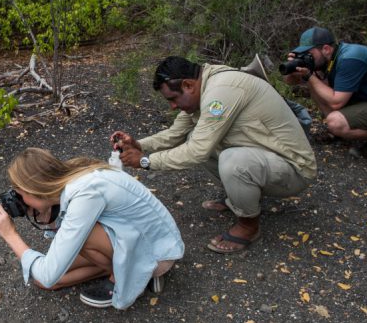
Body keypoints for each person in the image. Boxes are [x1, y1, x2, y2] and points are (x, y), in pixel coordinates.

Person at [111, 56, 317, 254]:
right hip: (266, 158)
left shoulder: (220, 93)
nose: (173, 106)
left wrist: (145, 162)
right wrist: (138, 144)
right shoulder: (204, 87)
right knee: (196, 136)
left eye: (173, 99)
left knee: (230, 161)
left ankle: (249, 226)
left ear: (188, 85)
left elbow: (196, 152)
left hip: (295, 168)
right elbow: (175, 134)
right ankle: (242, 197)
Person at [0, 147, 184, 309]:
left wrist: (10, 234)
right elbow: (47, 278)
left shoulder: (85, 194)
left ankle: (139, 274)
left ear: (36, 189)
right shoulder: (72, 177)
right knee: (46, 280)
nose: (20, 200)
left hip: (158, 252)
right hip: (135, 236)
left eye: (21, 194)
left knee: (66, 251)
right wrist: (41, 211)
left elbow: (48, 273)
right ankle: (136, 274)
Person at [284, 26, 367, 158]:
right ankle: (339, 131)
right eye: (303, 53)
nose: (306, 57)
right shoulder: (327, 59)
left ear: (325, 49)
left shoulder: (350, 58)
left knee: (335, 122)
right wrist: (292, 66)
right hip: (365, 101)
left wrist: (309, 76)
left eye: (309, 53)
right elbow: (289, 82)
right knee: (315, 86)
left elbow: (336, 103)